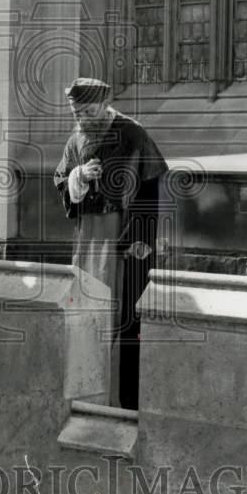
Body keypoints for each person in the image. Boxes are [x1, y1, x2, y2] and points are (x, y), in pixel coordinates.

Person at [53, 77, 168, 409]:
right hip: (89, 237)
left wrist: (142, 238)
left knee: (123, 311)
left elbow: (149, 188)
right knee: (86, 305)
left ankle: (122, 399)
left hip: (124, 237)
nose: (83, 117)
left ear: (104, 105)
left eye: (88, 110)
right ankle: (87, 389)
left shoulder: (133, 133)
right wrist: (79, 178)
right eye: (77, 111)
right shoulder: (76, 138)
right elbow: (61, 177)